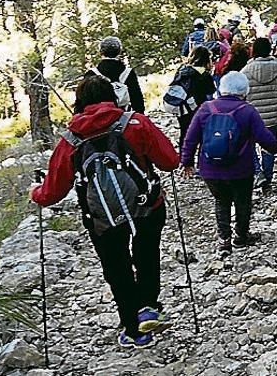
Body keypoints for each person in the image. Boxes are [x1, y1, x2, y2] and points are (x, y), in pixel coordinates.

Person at [31, 75, 179, 348]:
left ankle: (133, 329)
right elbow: (170, 161)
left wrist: (35, 193)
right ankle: (147, 306)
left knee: (117, 267)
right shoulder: (135, 123)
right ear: (113, 96)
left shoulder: (70, 140)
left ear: (80, 102)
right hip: (147, 206)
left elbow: (52, 193)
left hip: (101, 217)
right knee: (146, 253)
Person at [180, 72, 277, 255]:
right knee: (242, 201)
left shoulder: (205, 108)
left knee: (221, 201)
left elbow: (190, 139)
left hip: (210, 170)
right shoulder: (247, 110)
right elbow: (264, 137)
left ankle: (224, 240)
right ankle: (241, 236)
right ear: (244, 90)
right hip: (241, 169)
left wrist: (187, 162)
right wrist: (274, 148)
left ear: (221, 88)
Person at [241, 36, 277, 192]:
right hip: (271, 118)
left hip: (251, 118)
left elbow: (241, 97)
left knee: (249, 146)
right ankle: (267, 180)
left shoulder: (245, 72)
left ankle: (257, 172)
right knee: (268, 148)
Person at [168, 46, 217, 145]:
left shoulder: (182, 69)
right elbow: (211, 90)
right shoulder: (203, 74)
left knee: (184, 132)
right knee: (201, 135)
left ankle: (184, 157)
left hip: (181, 105)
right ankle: (201, 158)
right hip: (197, 107)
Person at [90, 36, 144, 112]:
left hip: (99, 116)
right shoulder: (128, 72)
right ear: (119, 51)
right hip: (123, 116)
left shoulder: (92, 73)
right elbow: (137, 99)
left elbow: (84, 101)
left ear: (101, 52)